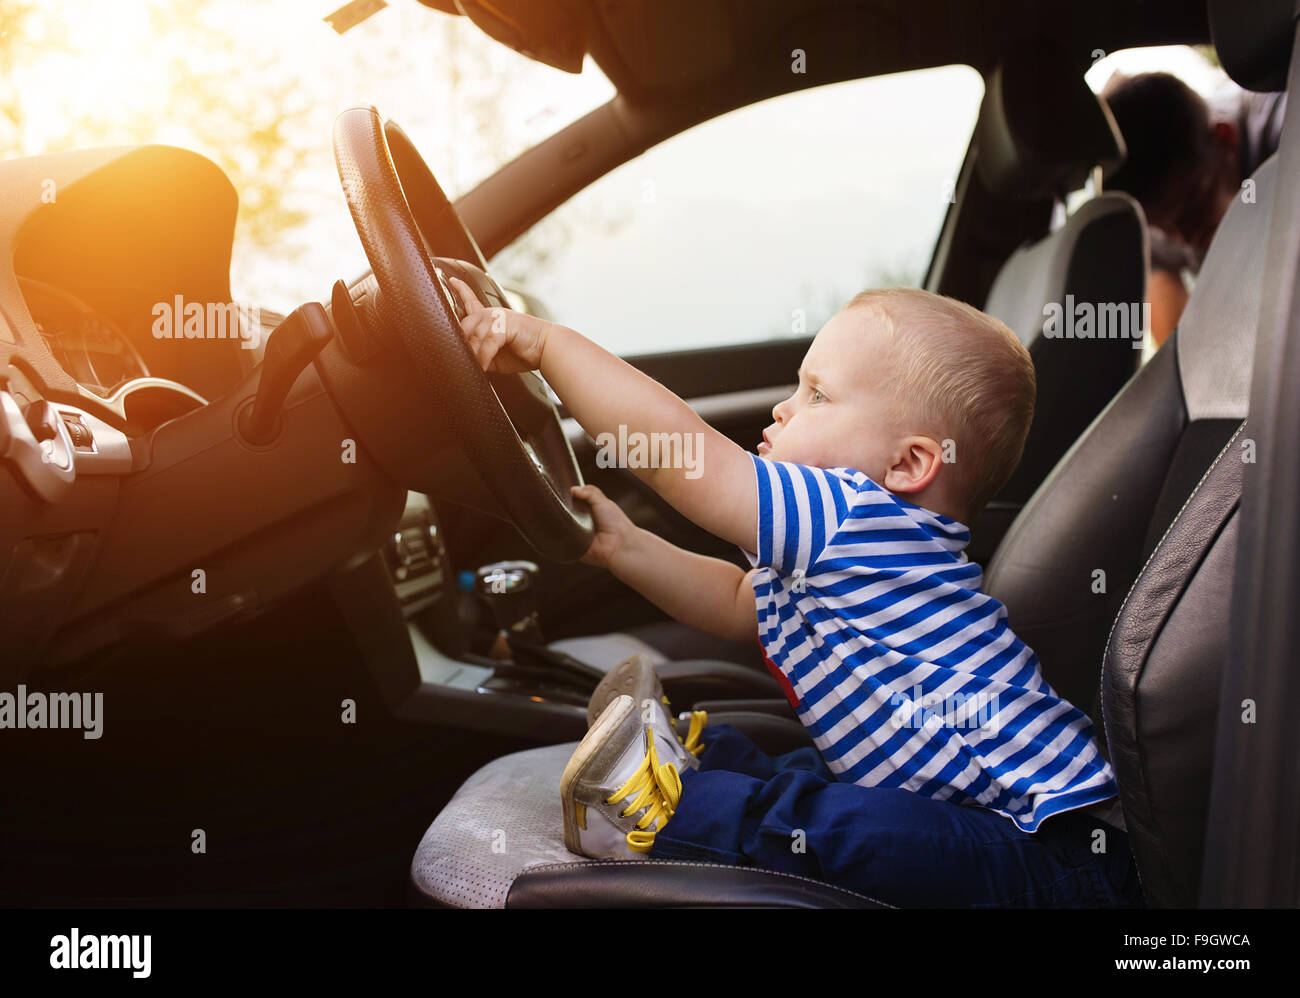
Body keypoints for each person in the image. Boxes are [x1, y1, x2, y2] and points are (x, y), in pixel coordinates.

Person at [449, 277, 1141, 908]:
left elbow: (685, 459)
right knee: (802, 773)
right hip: (984, 829)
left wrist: (547, 345)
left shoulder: (856, 516)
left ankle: (666, 810)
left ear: (907, 464)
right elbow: (734, 602)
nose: (783, 406)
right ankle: (687, 766)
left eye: (816, 394)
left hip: (1052, 854)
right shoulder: (848, 550)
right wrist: (623, 547)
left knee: (844, 824)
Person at [1103, 71, 1285, 347]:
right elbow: (1180, 349)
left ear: (1225, 138)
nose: (1185, 238)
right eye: (1164, 229)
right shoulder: (1154, 223)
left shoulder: (1285, 126)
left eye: (1193, 207)